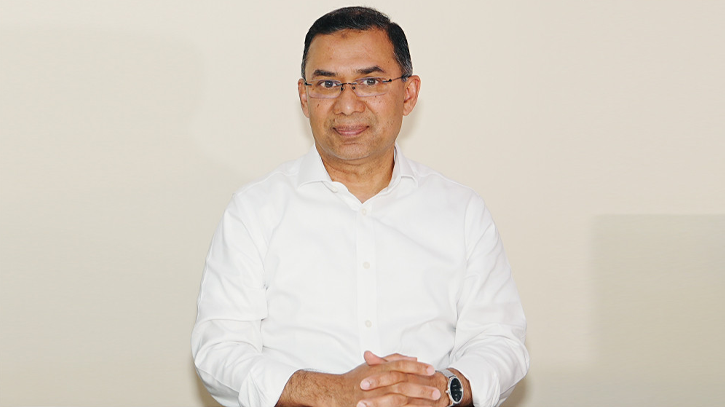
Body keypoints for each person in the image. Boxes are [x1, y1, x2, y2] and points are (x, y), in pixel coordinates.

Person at [192, 6, 529, 407]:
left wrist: (442, 389)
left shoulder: (462, 211)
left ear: (408, 93)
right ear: (304, 97)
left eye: (369, 81)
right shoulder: (254, 211)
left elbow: (499, 341)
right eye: (327, 84)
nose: (348, 105)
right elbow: (219, 351)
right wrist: (334, 392)